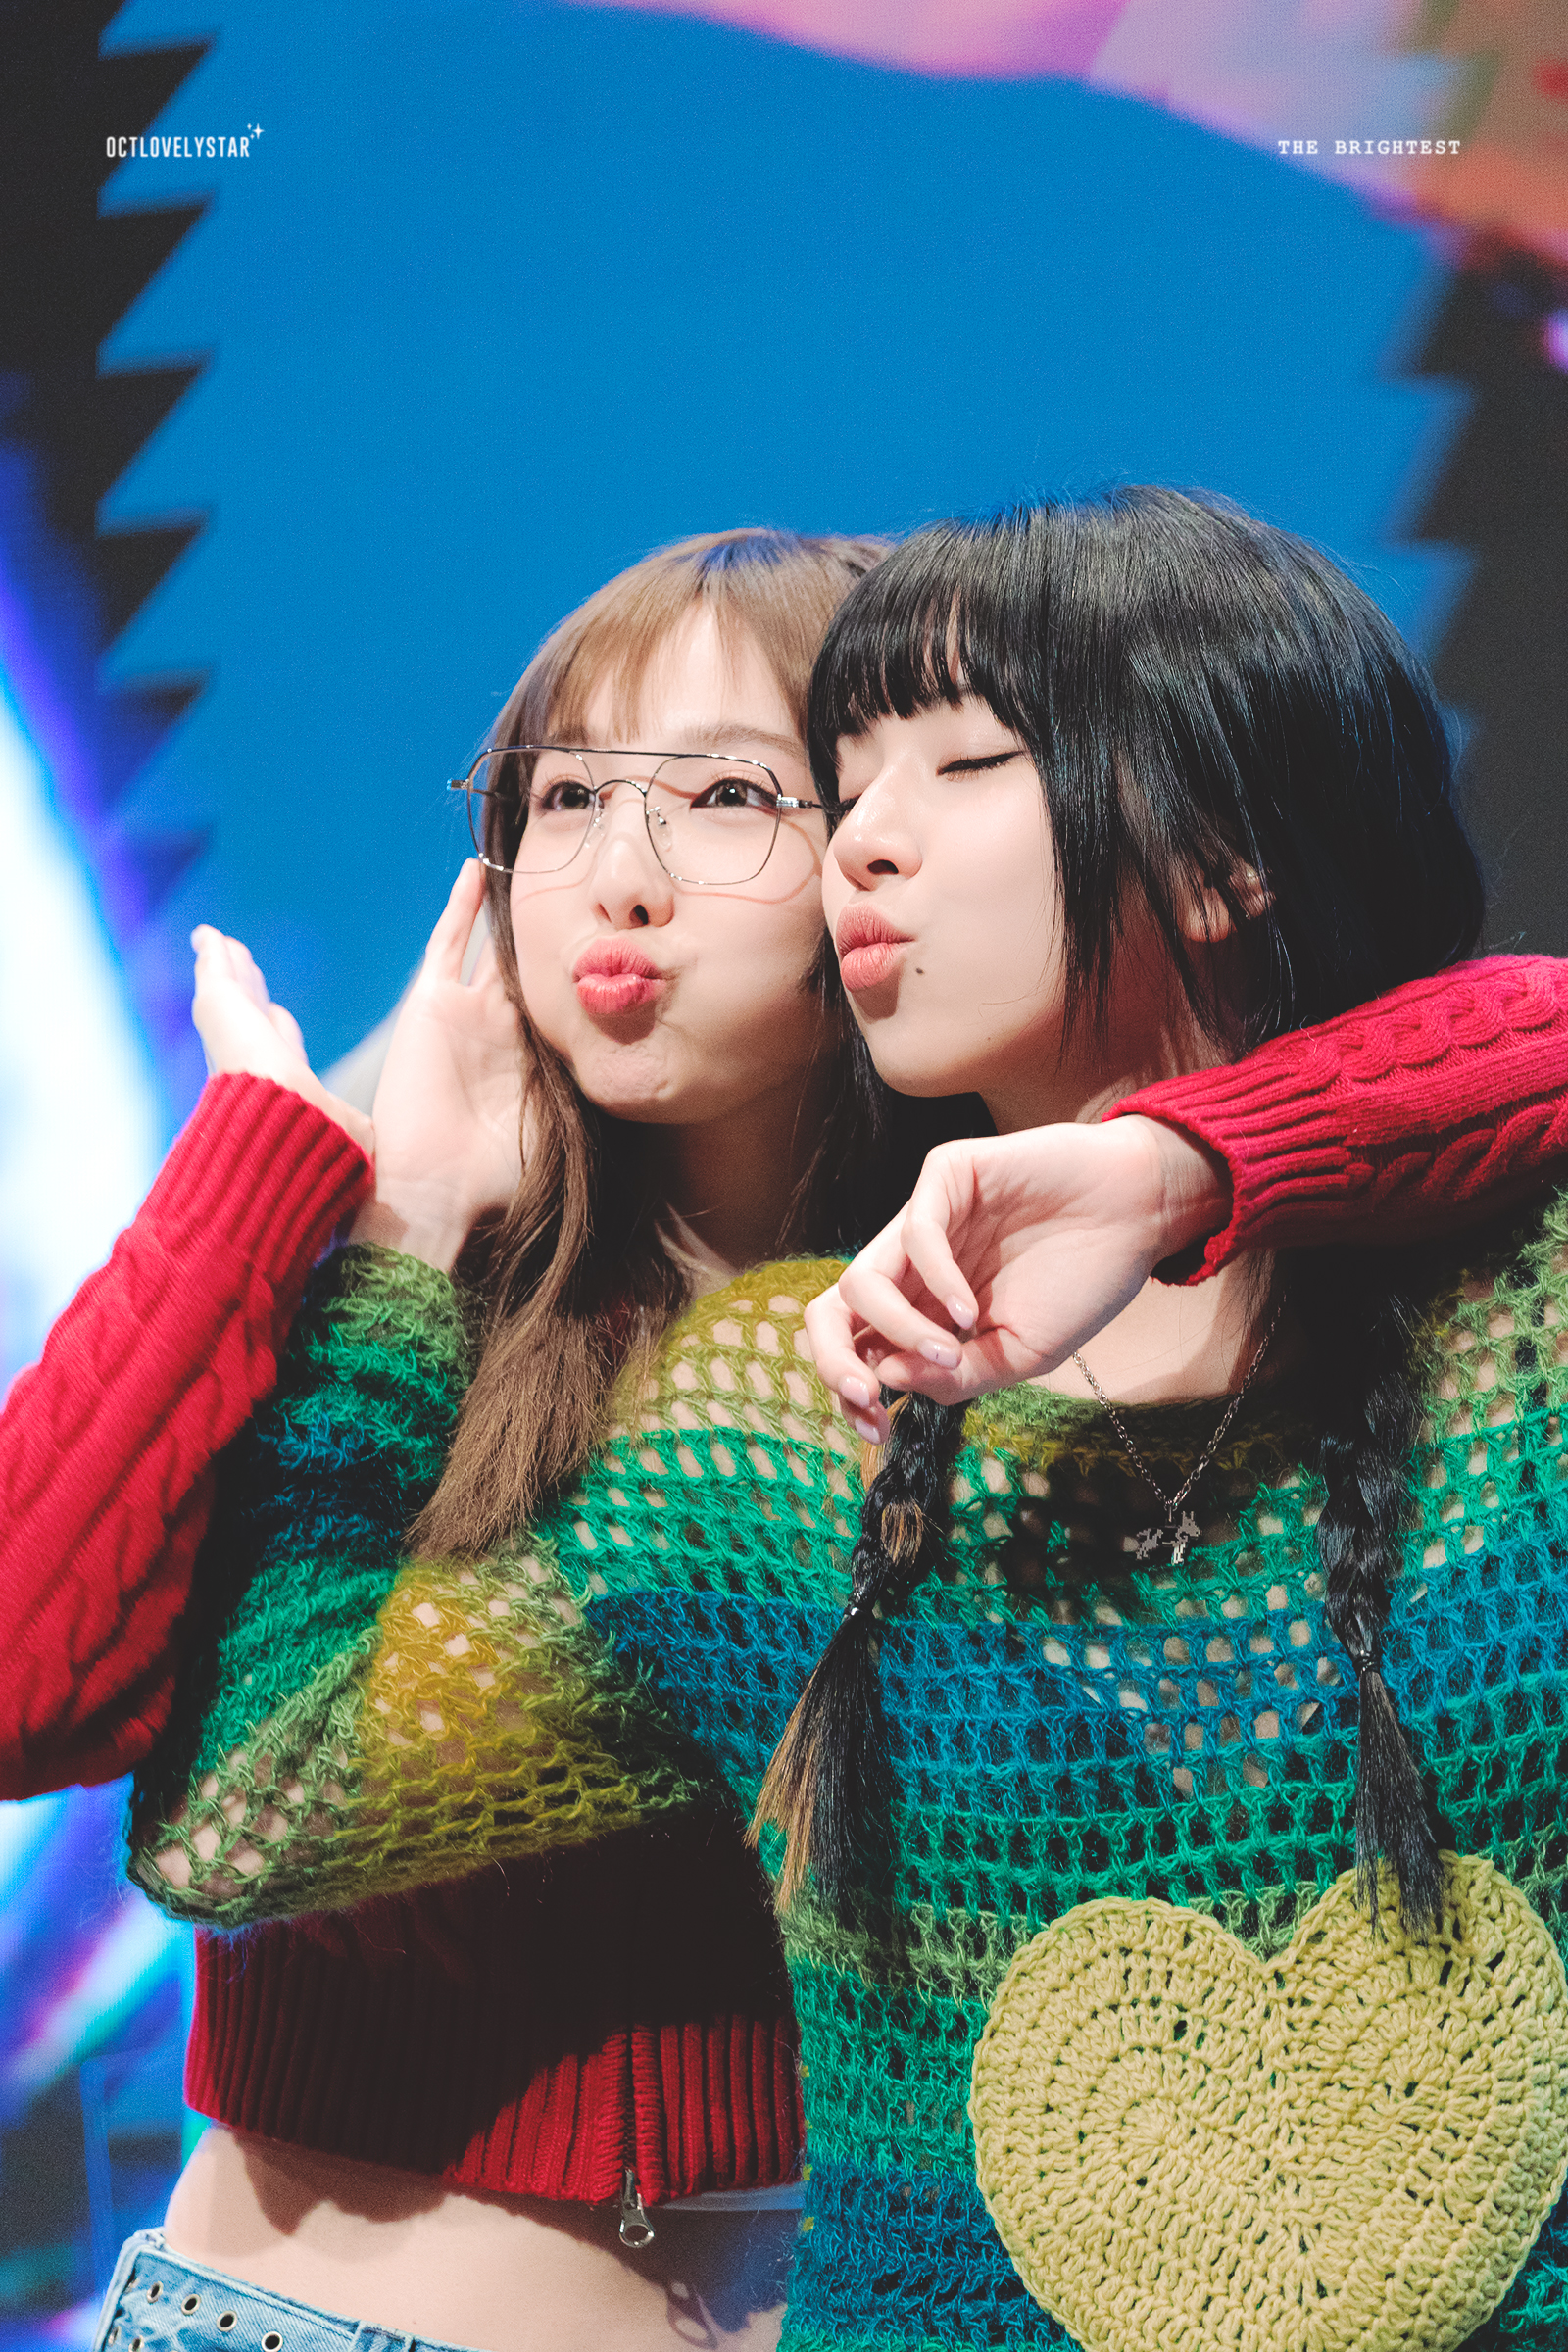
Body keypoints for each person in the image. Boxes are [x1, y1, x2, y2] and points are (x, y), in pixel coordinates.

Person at [117, 490, 1568, 2351]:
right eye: (849, 780)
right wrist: (394, 1251)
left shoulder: (1522, 1324)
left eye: (960, 765)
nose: (860, 842)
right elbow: (248, 1816)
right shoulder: (785, 1412)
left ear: (1226, 857)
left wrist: (1188, 1164)